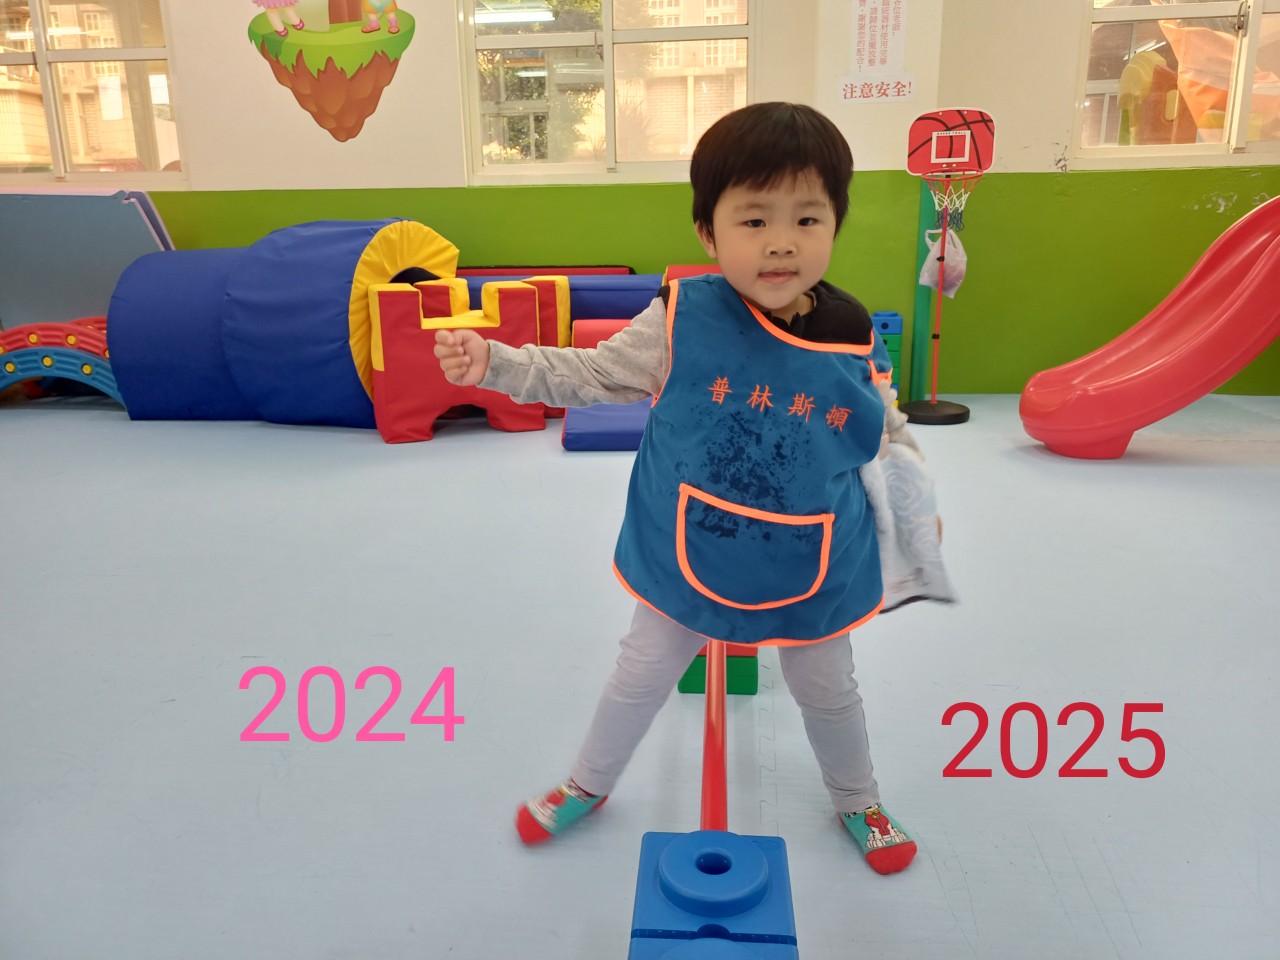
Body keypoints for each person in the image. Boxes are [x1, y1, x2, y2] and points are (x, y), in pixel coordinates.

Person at [433, 102, 952, 876]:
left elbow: (884, 427)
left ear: (834, 225)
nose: (782, 241)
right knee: (640, 673)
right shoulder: (680, 319)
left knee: (828, 690)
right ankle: (588, 784)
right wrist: (497, 364)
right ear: (709, 232)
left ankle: (858, 799)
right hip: (690, 546)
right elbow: (592, 375)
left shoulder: (849, 333)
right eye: (754, 219)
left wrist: (915, 506)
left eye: (807, 218)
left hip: (812, 556)